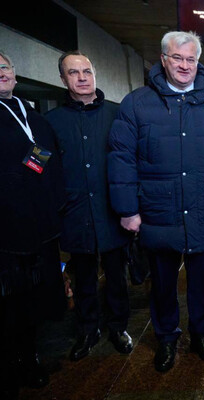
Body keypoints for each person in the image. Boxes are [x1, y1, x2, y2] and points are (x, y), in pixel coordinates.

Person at [108, 31, 204, 372]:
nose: (184, 65)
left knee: (202, 282)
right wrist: (127, 210)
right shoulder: (136, 104)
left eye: (190, 59)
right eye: (177, 58)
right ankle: (166, 338)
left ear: (198, 62)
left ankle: (201, 334)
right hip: (158, 210)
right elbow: (121, 158)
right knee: (162, 282)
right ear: (163, 59)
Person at [45, 51, 132, 361]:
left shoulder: (118, 114)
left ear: (94, 74)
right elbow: (38, 163)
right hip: (74, 212)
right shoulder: (50, 122)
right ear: (62, 78)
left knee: (117, 275)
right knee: (83, 278)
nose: (82, 78)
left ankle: (118, 327)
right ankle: (87, 330)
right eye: (73, 72)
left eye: (86, 71)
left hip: (112, 210)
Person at [0, 51, 65, 398]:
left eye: (4, 67)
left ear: (14, 72)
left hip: (39, 228)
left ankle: (29, 357)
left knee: (31, 301)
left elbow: (44, 158)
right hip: (5, 233)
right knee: (7, 304)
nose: (1, 73)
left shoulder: (33, 116)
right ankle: (9, 364)